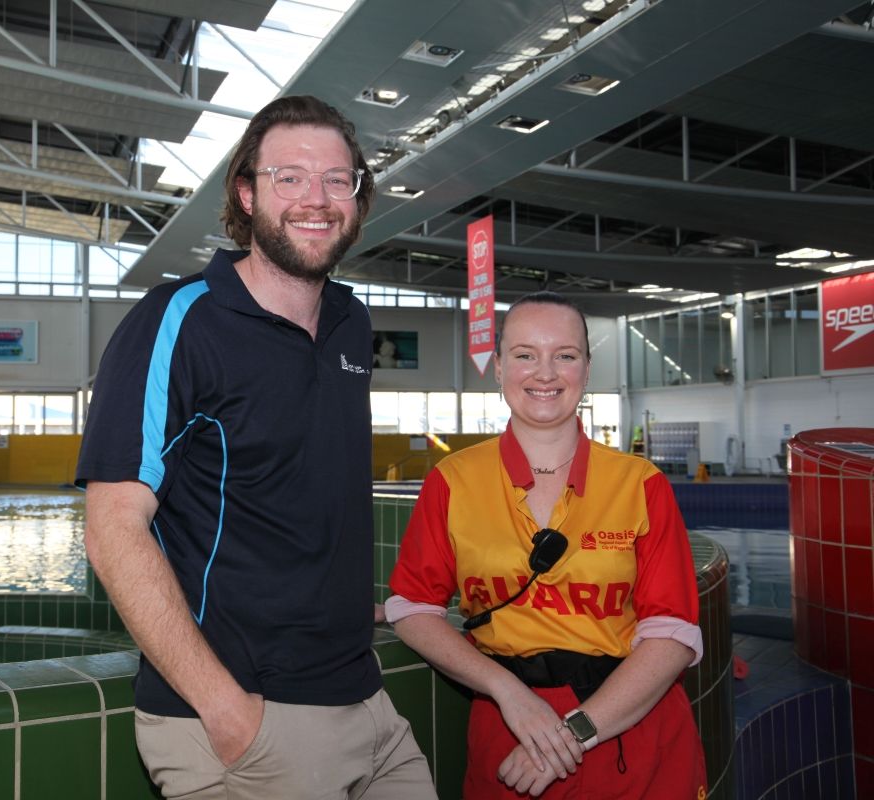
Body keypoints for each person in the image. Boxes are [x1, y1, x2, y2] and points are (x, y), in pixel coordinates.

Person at [77, 95, 437, 800]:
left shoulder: (349, 322)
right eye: (290, 177)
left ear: (359, 199)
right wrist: (228, 713)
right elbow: (112, 528)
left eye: (338, 179)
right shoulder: (178, 322)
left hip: (365, 701)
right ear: (246, 193)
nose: (318, 198)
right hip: (247, 725)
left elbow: (299, 493)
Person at [386, 291, 706, 799]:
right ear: (497, 367)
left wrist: (573, 732)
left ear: (586, 368)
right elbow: (411, 606)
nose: (545, 372)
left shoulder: (640, 484)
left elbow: (671, 634)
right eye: (525, 354)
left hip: (628, 733)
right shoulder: (453, 481)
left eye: (565, 355)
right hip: (510, 731)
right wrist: (509, 693)